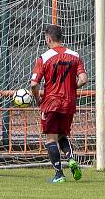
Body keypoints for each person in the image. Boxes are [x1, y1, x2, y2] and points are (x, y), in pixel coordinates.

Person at [30, 24, 87, 184]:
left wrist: (37, 99)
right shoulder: (75, 55)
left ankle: (59, 174)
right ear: (61, 37)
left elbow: (34, 84)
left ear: (48, 38)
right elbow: (83, 79)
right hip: (69, 103)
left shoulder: (44, 57)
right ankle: (71, 159)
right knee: (62, 135)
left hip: (51, 102)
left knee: (50, 139)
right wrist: (70, 86)